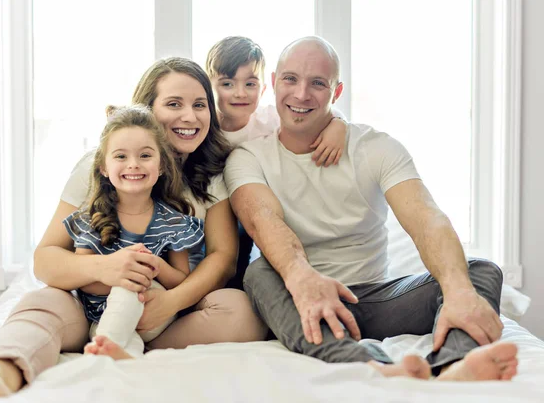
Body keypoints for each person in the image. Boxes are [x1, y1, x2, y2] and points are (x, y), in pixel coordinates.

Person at [0, 58, 267, 398]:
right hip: (89, 304)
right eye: (174, 104)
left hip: (164, 313)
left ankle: (122, 344)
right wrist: (108, 268)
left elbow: (223, 259)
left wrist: (170, 303)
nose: (189, 116)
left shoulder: (214, 172)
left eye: (200, 105)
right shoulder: (100, 166)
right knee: (41, 302)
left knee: (240, 310)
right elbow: (46, 258)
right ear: (147, 109)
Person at [223, 36, 519, 381]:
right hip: (300, 298)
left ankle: (452, 367)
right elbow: (263, 220)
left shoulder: (376, 148)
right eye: (290, 79)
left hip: (375, 299)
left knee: (479, 271)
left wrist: (458, 292)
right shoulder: (248, 157)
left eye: (318, 83)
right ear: (274, 83)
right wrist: (303, 277)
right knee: (258, 273)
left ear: (336, 92)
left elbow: (425, 218)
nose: (301, 94)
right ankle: (374, 367)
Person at [206, 36, 348, 288]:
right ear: (209, 87)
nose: (240, 93)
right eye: (227, 83)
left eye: (250, 83)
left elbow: (322, 113)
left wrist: (339, 125)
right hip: (213, 208)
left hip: (251, 208)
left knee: (253, 244)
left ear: (263, 88)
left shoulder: (269, 120)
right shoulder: (205, 125)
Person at [64, 105, 205, 357]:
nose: (133, 165)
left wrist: (154, 267)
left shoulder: (172, 221)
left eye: (145, 156)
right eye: (120, 157)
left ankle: (106, 349)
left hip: (152, 312)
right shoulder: (92, 217)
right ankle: (118, 353)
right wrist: (119, 275)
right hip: (102, 317)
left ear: (161, 165)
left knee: (131, 291)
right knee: (114, 330)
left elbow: (181, 280)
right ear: (103, 168)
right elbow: (82, 279)